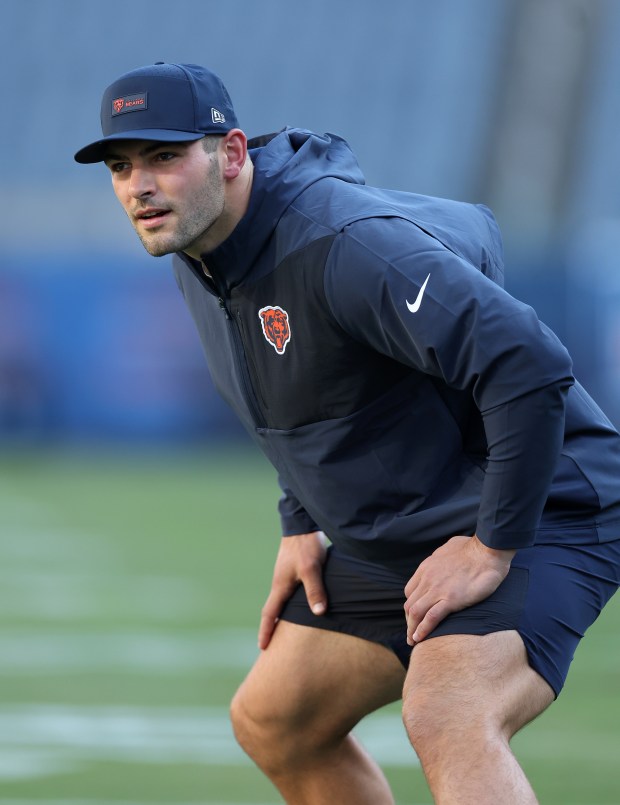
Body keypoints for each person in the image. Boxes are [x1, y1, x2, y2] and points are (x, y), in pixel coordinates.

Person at [75, 62, 620, 804]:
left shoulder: (341, 242)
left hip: (540, 505)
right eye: (121, 165)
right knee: (276, 721)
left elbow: (528, 364)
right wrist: (300, 519)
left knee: (448, 711)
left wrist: (491, 546)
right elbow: (296, 389)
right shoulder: (199, 245)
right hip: (402, 528)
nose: (139, 185)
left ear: (231, 154)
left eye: (165, 157)